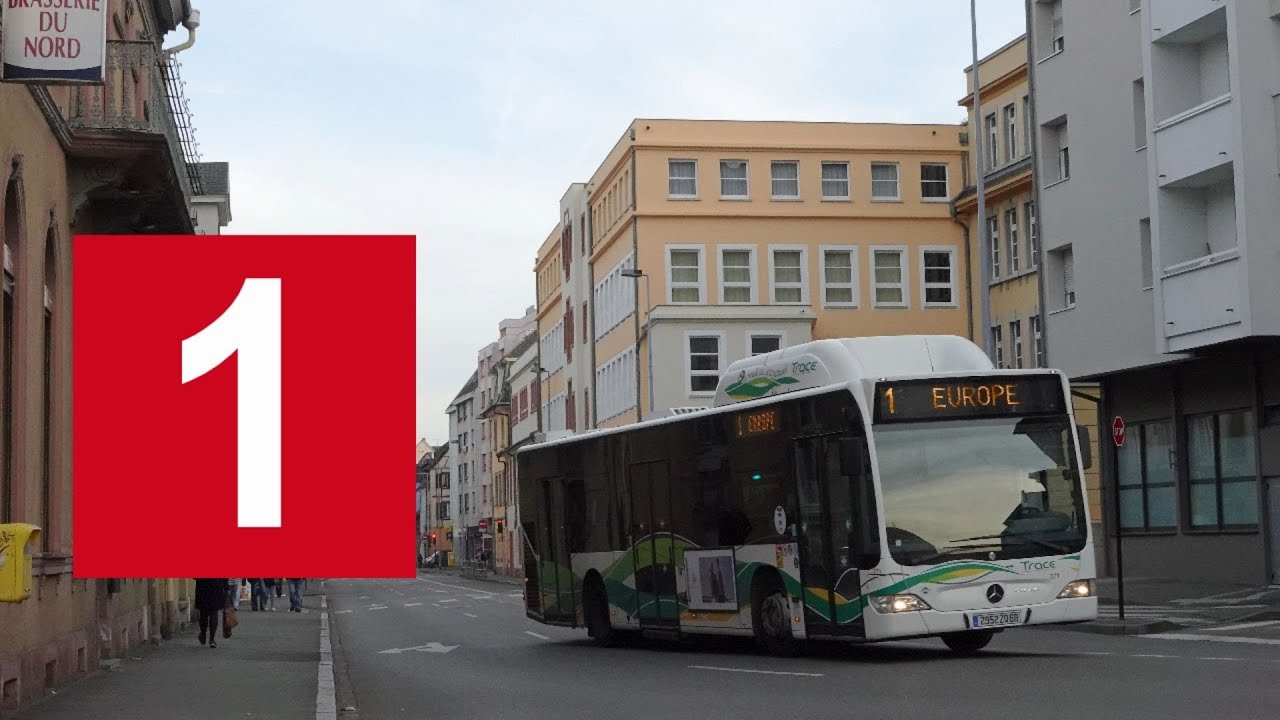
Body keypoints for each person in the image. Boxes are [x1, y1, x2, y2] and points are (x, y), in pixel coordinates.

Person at [194, 578, 229, 648]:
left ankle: (203, 634)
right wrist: (226, 587)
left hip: (202, 587)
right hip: (216, 586)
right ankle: (212, 640)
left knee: (203, 613)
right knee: (214, 612)